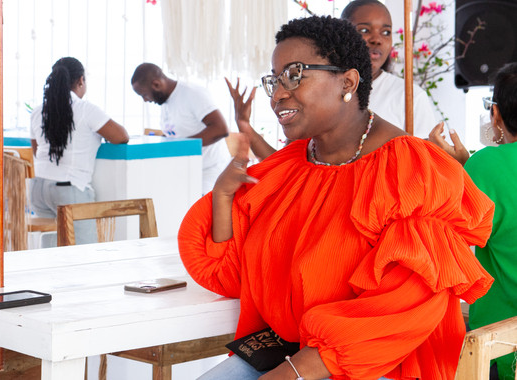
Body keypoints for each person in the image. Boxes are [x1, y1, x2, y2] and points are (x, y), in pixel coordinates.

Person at [181, 16, 494, 379]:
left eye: (295, 74)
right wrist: (222, 196)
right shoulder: (289, 167)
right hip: (285, 353)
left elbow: (405, 307)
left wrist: (291, 373)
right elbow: (232, 277)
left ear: (347, 81)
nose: (279, 93)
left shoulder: (409, 171)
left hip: (378, 364)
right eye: (275, 78)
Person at [229, 0, 442, 161]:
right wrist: (245, 126)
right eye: (364, 30)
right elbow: (286, 168)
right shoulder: (307, 126)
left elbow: (428, 161)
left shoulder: (407, 97)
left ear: (348, 83)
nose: (376, 39)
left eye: (386, 32)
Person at [30, 57, 129, 245]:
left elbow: (37, 151)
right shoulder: (85, 109)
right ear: (81, 80)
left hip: (38, 188)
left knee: (51, 251)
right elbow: (121, 136)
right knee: (82, 255)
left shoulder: (38, 111)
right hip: (68, 188)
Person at [462, 62, 517, 380]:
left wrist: (464, 173)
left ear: (495, 114)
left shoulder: (484, 166)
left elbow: (458, 241)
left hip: (503, 344)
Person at [131, 63, 231, 191]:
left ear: (156, 84)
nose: (145, 100)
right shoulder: (165, 102)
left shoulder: (192, 93)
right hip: (186, 171)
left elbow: (220, 129)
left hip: (211, 172)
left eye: (144, 95)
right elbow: (179, 134)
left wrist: (181, 146)